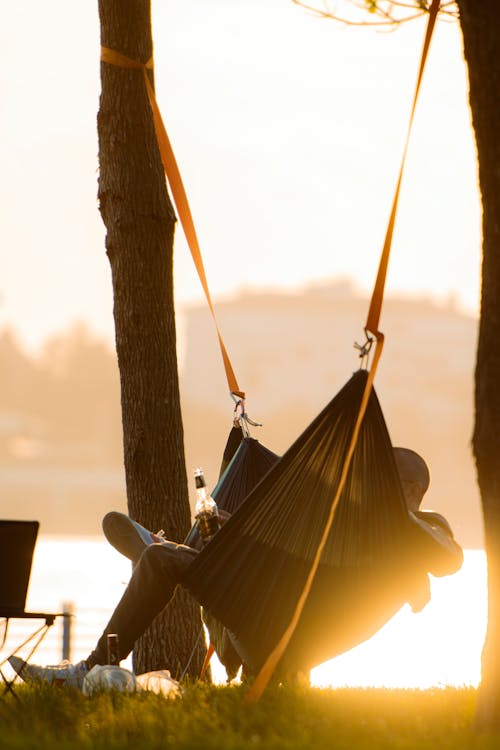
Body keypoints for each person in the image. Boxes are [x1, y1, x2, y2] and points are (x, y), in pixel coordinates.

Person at [9, 446, 463, 688]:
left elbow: (451, 558)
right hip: (269, 602)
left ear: (407, 490)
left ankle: (92, 661)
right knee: (199, 540)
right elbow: (289, 556)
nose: (368, 486)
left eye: (379, 479)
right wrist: (231, 525)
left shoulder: (423, 527)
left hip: (287, 631)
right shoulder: (350, 525)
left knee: (164, 561)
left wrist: (395, 511)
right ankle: (181, 552)